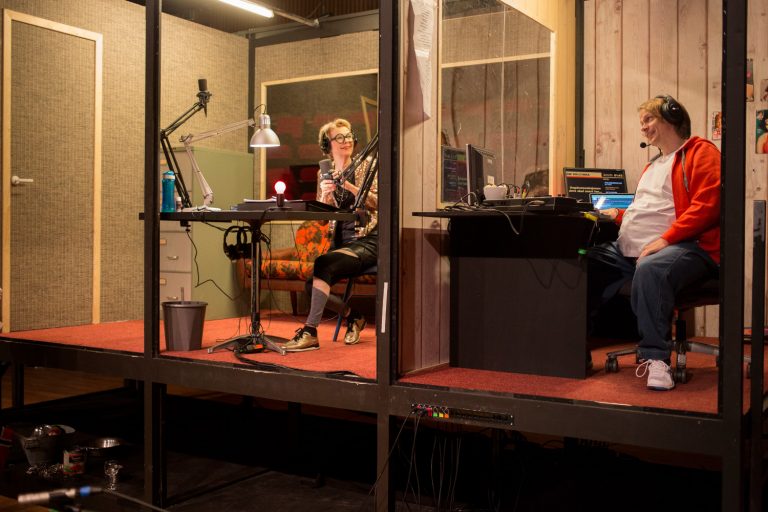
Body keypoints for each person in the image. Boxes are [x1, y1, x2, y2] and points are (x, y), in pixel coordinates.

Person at [588, 95, 720, 390]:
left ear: (671, 118)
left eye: (648, 119)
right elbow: (648, 211)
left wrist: (665, 239)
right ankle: (574, 350)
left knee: (650, 267)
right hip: (637, 248)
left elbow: (708, 205)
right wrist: (618, 215)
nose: (643, 127)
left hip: (689, 246)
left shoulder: (700, 152)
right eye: (642, 122)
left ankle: (657, 359)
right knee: (586, 263)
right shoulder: (653, 165)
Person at [283, 118, 378, 352]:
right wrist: (325, 196)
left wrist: (349, 186)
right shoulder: (323, 173)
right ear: (328, 145)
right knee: (311, 284)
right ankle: (353, 316)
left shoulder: (368, 166)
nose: (346, 141)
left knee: (322, 264)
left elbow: (379, 202)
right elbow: (322, 220)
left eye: (349, 136)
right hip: (342, 244)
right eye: (339, 137)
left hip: (369, 240)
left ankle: (310, 332)